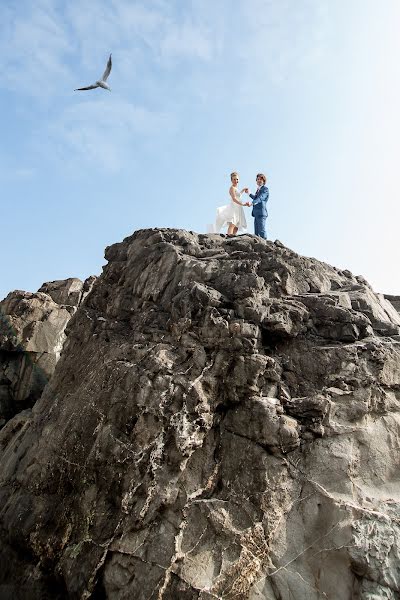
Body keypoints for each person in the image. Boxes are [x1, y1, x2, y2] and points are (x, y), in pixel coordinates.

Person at [245, 173, 269, 239]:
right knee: (256, 233)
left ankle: (265, 246)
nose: (259, 180)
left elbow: (260, 198)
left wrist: (252, 203)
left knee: (261, 232)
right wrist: (249, 193)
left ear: (263, 181)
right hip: (256, 213)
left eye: (260, 179)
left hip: (261, 213)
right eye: (257, 179)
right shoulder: (258, 190)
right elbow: (256, 197)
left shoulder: (265, 189)